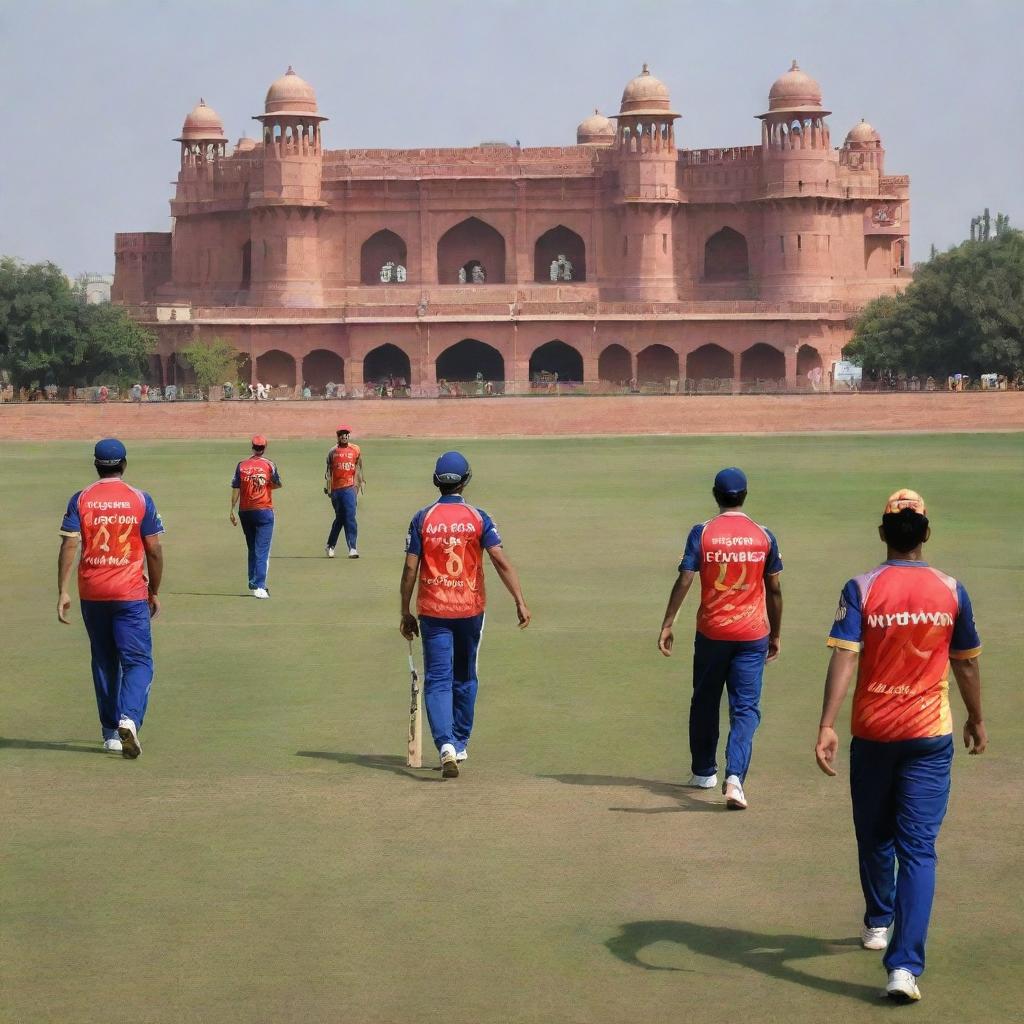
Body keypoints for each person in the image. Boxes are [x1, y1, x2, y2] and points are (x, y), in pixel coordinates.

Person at [815, 489, 985, 1004]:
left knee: (876, 835)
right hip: (930, 734)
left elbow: (844, 656)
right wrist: (977, 717)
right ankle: (900, 959)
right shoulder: (952, 590)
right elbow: (967, 661)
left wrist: (826, 723)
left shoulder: (862, 587)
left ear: (883, 532)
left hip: (874, 734)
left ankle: (885, 933)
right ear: (926, 533)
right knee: (915, 850)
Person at [657, 467, 783, 809]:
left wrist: (668, 621)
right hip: (753, 633)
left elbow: (685, 578)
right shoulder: (763, 535)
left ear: (715, 494)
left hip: (712, 632)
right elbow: (774, 588)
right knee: (745, 709)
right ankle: (735, 778)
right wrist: (776, 633)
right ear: (744, 495)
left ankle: (703, 773)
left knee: (705, 700)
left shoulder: (703, 532)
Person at [399, 451, 530, 777]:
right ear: (466, 480)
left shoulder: (422, 518)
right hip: (470, 609)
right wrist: (519, 599)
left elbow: (410, 569)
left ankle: (444, 745)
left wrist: (404, 611)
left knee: (438, 680)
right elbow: (500, 560)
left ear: (435, 482)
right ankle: (459, 741)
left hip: (433, 610)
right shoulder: (478, 516)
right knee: (465, 675)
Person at [57, 438, 164, 757]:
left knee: (104, 660)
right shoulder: (139, 499)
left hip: (92, 591)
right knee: (138, 661)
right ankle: (128, 718)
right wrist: (154, 590)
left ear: (96, 464)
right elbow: (154, 549)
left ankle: (109, 733)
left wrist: (62, 589)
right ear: (124, 464)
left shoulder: (82, 498)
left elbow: (69, 545)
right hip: (129, 592)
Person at [229, 435, 281, 598]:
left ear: (252, 447)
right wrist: (267, 484)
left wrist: (231, 509)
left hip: (245, 511)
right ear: (264, 448)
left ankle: (252, 580)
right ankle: (259, 585)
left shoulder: (241, 465)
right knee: (262, 550)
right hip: (264, 510)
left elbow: (236, 487)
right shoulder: (269, 464)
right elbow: (277, 484)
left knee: (252, 547)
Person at [324, 426, 364, 558]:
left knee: (350, 517)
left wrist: (360, 484)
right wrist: (328, 488)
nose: (344, 436)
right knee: (341, 518)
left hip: (349, 488)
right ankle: (330, 545)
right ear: (338, 436)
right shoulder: (332, 452)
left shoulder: (356, 450)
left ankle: (352, 548)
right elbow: (328, 472)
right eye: (342, 434)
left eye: (346, 434)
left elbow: (359, 467)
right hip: (336, 490)